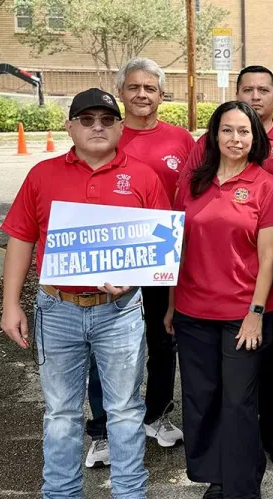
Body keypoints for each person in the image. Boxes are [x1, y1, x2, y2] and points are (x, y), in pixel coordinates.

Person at [0, 88, 167, 499]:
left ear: (119, 127)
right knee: (60, 410)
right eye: (87, 119)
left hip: (120, 311)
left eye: (106, 119)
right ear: (70, 126)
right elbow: (20, 238)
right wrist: (10, 303)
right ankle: (59, 498)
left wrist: (134, 277)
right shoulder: (42, 175)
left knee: (126, 408)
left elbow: (164, 245)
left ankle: (132, 495)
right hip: (58, 308)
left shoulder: (145, 177)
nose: (97, 127)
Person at [181, 64, 273, 469]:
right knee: (221, 372)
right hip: (223, 274)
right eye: (247, 89)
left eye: (263, 90)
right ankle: (226, 445)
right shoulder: (210, 146)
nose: (255, 96)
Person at [167, 101, 273, 499]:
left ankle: (244, 482)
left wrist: (255, 311)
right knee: (202, 398)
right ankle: (214, 477)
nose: (236, 139)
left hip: (242, 312)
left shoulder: (267, 185)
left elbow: (268, 257)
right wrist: (171, 305)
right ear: (214, 136)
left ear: (256, 137)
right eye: (228, 130)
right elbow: (175, 250)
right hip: (193, 311)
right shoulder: (192, 183)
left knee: (238, 399)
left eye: (245, 131)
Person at [82, 58, 195, 467]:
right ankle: (102, 429)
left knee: (163, 337)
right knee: (104, 345)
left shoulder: (183, 140)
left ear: (162, 95)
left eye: (150, 88)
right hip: (112, 258)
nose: (142, 94)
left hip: (163, 255)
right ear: (121, 92)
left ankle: (156, 414)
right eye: (134, 87)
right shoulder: (105, 134)